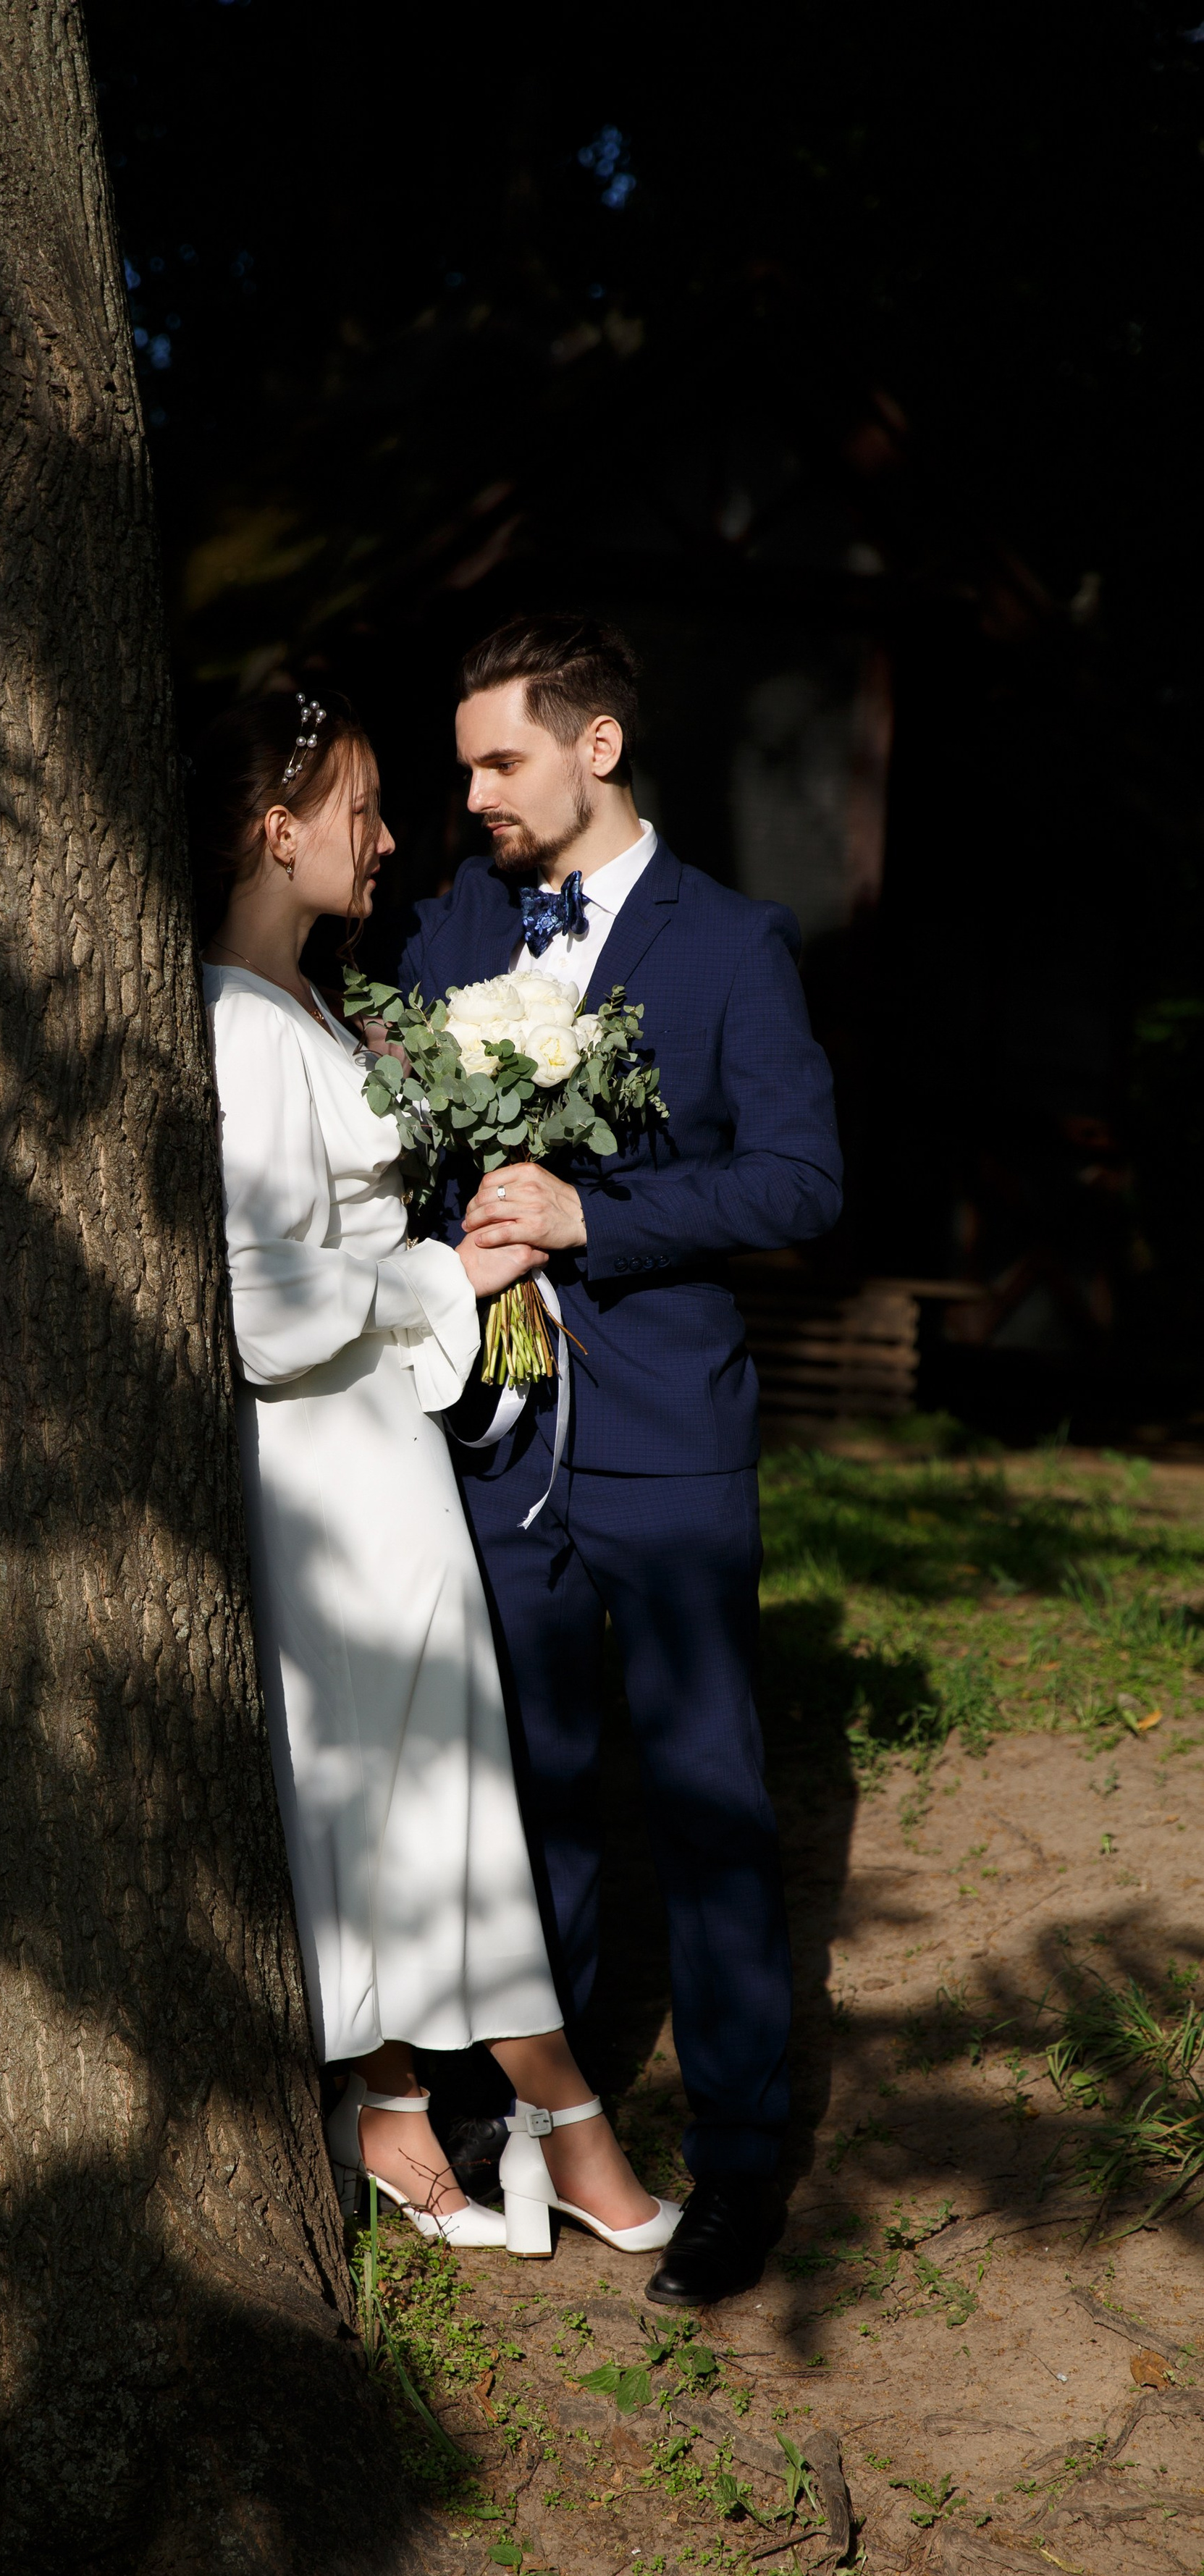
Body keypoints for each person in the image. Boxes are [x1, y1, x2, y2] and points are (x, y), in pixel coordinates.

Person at [193, 685, 680, 2261]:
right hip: (325, 1471)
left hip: (383, 1454)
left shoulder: (321, 1005)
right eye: (359, 812)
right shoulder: (232, 1024)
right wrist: (439, 1284)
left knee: (422, 1788)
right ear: (277, 831)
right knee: (408, 1792)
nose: (390, 838)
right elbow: (257, 1306)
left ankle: (398, 2107)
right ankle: (563, 2120)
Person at [395, 615, 844, 2307]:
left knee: (711, 1805)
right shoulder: (458, 916)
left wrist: (603, 1215)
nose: (475, 796)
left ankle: (735, 2168)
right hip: (487, 1444)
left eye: (498, 761)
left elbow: (800, 1183)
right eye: (458, 771)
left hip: (663, 1441)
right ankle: (527, 2122)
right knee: (518, 1803)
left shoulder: (732, 946)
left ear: (594, 749)